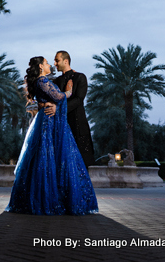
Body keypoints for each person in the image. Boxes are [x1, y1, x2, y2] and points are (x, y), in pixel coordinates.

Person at [6, 56, 98, 215]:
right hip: (50, 123)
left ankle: (44, 197)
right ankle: (51, 200)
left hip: (47, 120)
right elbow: (58, 97)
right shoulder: (42, 81)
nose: (51, 65)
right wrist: (68, 92)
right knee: (49, 158)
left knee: (46, 158)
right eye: (48, 62)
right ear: (41, 66)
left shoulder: (42, 81)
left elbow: (41, 100)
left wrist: (45, 103)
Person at [44, 50, 95, 168]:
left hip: (77, 126)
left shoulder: (80, 77)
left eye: (57, 60)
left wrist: (58, 109)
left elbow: (78, 99)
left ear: (66, 61)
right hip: (60, 126)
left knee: (81, 165)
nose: (54, 64)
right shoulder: (56, 81)